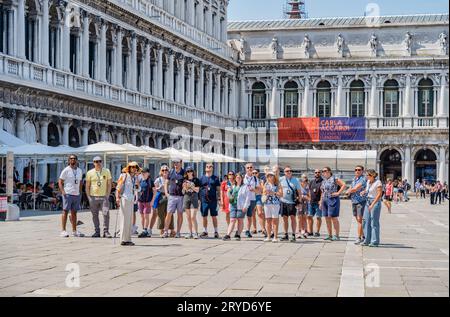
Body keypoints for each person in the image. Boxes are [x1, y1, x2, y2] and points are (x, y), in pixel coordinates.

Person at [86, 156, 113, 238]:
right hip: (93, 197)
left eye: (99, 161)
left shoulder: (106, 171)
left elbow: (109, 184)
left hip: (103, 197)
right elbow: (87, 186)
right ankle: (97, 231)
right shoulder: (90, 172)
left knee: (105, 214)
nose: (98, 163)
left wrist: (107, 195)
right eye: (96, 161)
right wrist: (89, 197)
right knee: (94, 215)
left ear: (102, 162)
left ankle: (106, 231)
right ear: (93, 163)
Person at [58, 155, 84, 238]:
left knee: (74, 212)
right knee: (65, 211)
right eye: (71, 159)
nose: (73, 160)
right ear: (69, 160)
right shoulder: (66, 170)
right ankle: (63, 230)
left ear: (77, 160)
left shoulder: (79, 170)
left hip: (76, 194)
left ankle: (74, 230)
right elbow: (60, 181)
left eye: (74, 159)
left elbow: (80, 182)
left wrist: (80, 192)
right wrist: (63, 192)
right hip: (68, 193)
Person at [116, 162, 141, 246]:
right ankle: (123, 239)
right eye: (132, 167)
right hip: (124, 198)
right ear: (129, 168)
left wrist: (137, 178)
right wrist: (117, 198)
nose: (134, 168)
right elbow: (118, 187)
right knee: (124, 220)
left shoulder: (135, 178)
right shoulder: (124, 176)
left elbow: (138, 189)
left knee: (129, 221)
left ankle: (128, 239)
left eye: (135, 167)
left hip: (131, 200)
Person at [319, 167, 346, 241]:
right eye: (323, 171)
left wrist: (338, 193)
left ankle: (336, 235)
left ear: (329, 171)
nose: (324, 172)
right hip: (325, 199)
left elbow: (343, 184)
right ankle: (329, 235)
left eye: (326, 171)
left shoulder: (334, 178)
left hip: (332, 199)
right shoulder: (323, 181)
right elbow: (322, 192)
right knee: (327, 218)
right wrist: (321, 202)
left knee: (333, 218)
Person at [223, 173, 251, 241]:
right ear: (235, 178)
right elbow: (228, 193)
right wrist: (229, 194)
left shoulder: (245, 187)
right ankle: (228, 235)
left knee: (240, 220)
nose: (238, 179)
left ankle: (238, 234)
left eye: (239, 178)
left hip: (241, 205)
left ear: (242, 179)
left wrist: (246, 206)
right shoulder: (233, 186)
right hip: (233, 205)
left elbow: (248, 197)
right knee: (232, 220)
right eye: (237, 177)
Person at [361, 169, 383, 247]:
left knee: (374, 222)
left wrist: (373, 204)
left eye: (367, 175)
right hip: (368, 201)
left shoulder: (378, 182)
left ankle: (374, 241)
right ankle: (367, 240)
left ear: (372, 175)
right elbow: (368, 191)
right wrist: (363, 192)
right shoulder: (368, 182)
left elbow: (379, 194)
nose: (366, 177)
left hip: (375, 201)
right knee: (365, 221)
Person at [164, 159, 185, 238]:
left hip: (181, 196)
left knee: (180, 214)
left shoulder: (184, 172)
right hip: (172, 196)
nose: (175, 164)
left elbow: (186, 183)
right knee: (169, 213)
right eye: (174, 163)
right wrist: (166, 193)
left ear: (181, 163)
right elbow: (166, 182)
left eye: (177, 162)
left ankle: (178, 232)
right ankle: (165, 231)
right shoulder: (171, 171)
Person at [346, 165, 367, 245]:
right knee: (357, 219)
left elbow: (355, 188)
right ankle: (363, 236)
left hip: (360, 201)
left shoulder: (363, 179)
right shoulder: (354, 179)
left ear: (362, 171)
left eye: (359, 170)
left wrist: (348, 192)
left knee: (359, 219)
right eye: (356, 170)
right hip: (354, 201)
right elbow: (351, 187)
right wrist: (348, 191)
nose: (357, 171)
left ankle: (359, 237)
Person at [199, 163, 222, 239]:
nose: (208, 168)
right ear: (205, 168)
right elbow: (199, 189)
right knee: (204, 216)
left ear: (212, 168)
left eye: (210, 167)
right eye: (207, 167)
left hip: (213, 200)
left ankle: (216, 231)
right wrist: (199, 199)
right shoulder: (201, 178)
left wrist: (219, 199)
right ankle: (205, 231)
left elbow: (218, 189)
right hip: (204, 200)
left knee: (214, 216)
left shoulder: (215, 178)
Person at [279, 166, 301, 242]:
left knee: (293, 218)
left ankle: (293, 234)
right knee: (284, 218)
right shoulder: (281, 179)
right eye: (287, 171)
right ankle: (285, 234)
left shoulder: (295, 180)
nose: (289, 172)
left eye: (290, 171)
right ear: (284, 172)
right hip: (283, 201)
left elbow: (299, 192)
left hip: (292, 202)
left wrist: (299, 202)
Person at [263, 171, 283, 243]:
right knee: (268, 220)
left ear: (274, 176)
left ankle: (275, 237)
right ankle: (268, 236)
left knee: (275, 220)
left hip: (275, 203)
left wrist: (273, 193)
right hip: (267, 203)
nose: (269, 177)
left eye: (271, 175)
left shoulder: (277, 184)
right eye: (268, 176)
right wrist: (265, 192)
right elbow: (263, 193)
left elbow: (281, 194)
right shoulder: (266, 184)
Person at [154, 166, 174, 237]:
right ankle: (161, 229)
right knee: (160, 214)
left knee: (169, 213)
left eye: (166, 170)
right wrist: (159, 187)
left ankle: (171, 230)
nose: (165, 171)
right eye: (163, 170)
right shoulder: (158, 179)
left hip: (169, 196)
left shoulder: (171, 179)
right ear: (161, 171)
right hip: (161, 196)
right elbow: (155, 189)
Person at [137, 168, 156, 238]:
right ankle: (143, 230)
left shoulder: (151, 181)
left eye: (144, 172)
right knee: (142, 216)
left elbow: (155, 192)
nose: (143, 174)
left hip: (147, 201)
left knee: (146, 216)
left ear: (148, 173)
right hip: (140, 201)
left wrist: (152, 201)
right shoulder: (141, 180)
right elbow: (138, 190)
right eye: (142, 172)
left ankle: (145, 230)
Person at [183, 166, 201, 239]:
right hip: (187, 197)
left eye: (190, 171)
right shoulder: (184, 180)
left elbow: (197, 190)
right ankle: (190, 232)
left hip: (194, 197)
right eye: (188, 171)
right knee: (188, 217)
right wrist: (185, 187)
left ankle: (196, 233)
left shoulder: (196, 180)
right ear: (186, 173)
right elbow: (183, 191)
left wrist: (191, 186)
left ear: (193, 172)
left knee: (193, 217)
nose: (189, 172)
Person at [307, 169, 323, 237]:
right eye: (316, 172)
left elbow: (323, 192)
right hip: (311, 202)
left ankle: (317, 232)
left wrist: (321, 201)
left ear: (321, 173)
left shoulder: (323, 182)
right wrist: (309, 198)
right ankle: (310, 231)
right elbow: (309, 191)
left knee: (318, 217)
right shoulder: (311, 182)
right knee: (309, 216)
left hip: (318, 202)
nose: (317, 173)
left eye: (318, 172)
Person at [297, 174, 310, 239]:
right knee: (299, 218)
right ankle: (299, 232)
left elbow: (310, 197)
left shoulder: (308, 186)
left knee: (305, 217)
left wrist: (305, 197)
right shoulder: (298, 186)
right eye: (303, 177)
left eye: (305, 177)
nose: (304, 179)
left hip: (305, 203)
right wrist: (300, 196)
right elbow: (296, 195)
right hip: (299, 203)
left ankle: (305, 231)